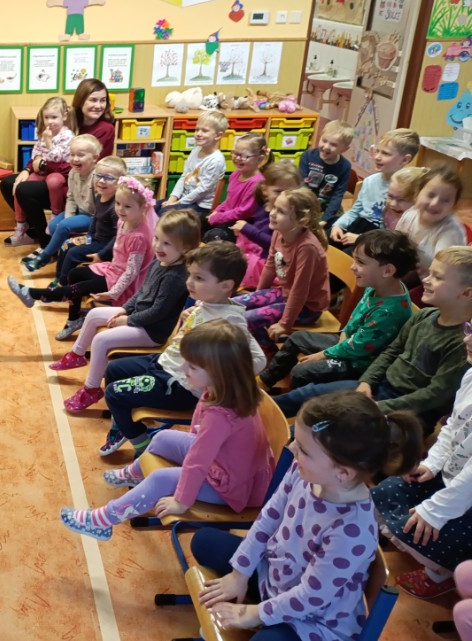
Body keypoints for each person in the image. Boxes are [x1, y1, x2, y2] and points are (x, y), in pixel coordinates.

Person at [194, 390, 423, 640]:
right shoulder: (304, 471)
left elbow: (310, 597)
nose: (293, 449)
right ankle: (260, 611)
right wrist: (240, 574)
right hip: (274, 577)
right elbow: (269, 516)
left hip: (312, 619)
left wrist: (254, 613)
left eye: (303, 449)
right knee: (204, 541)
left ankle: (263, 621)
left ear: (343, 472)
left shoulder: (352, 530)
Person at [59, 321, 274, 541]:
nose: (183, 369)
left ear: (220, 372)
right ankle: (134, 473)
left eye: (192, 367)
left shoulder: (221, 415)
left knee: (161, 478)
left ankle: (102, 521)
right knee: (161, 437)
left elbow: (198, 461)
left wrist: (181, 501)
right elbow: (198, 434)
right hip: (226, 463)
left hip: (231, 487)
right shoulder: (222, 389)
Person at [96, 242, 268, 456]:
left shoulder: (230, 320)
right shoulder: (207, 303)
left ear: (225, 286)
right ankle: (122, 427)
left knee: (114, 393)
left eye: (199, 278)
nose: (189, 282)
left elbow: (259, 360)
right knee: (114, 370)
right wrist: (189, 316)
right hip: (165, 364)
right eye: (190, 275)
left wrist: (217, 379)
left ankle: (141, 445)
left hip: (180, 385)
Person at [273, 247, 472, 425]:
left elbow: (435, 395)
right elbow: (392, 351)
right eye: (429, 273)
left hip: (408, 414)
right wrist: (367, 381)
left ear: (466, 294)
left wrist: (380, 406)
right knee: (307, 397)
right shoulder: (424, 316)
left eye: (437, 277)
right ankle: (260, 413)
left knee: (328, 430)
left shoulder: (463, 343)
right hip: (379, 388)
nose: (426, 280)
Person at [57, 210, 201, 412]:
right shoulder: (160, 261)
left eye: (167, 243)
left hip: (151, 331)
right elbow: (142, 291)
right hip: (138, 318)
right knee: (94, 314)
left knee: (101, 340)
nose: (158, 246)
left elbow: (157, 312)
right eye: (157, 239)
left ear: (185, 247)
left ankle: (91, 389)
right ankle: (77, 354)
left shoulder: (175, 276)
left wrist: (127, 320)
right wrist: (125, 309)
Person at [372, 327, 472, 600]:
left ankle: (440, 573)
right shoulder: (470, 375)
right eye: (470, 328)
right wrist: (432, 464)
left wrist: (436, 511)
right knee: (384, 492)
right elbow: (452, 427)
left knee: (422, 530)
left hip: (467, 497)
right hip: (453, 477)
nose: (467, 339)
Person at [259, 229, 417, 390]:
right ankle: (266, 381)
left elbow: (358, 348)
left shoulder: (389, 311)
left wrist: (322, 355)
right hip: (348, 342)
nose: (352, 267)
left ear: (388, 271)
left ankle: (295, 400)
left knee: (302, 372)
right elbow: (356, 318)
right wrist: (344, 335)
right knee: (297, 338)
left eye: (360, 262)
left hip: (359, 362)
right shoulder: (378, 285)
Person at [7, 175, 155, 341]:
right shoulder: (124, 221)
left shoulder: (139, 237)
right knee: (75, 274)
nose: (120, 209)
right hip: (113, 269)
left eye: (127, 206)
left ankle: (33, 294)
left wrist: (114, 293)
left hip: (123, 282)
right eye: (118, 203)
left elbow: (131, 272)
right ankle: (74, 319)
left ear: (143, 208)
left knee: (78, 288)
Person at [1, 79, 115, 246]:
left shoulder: (104, 129)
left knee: (25, 190)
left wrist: (42, 165)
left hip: (75, 185)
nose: (98, 105)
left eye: (103, 100)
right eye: (93, 100)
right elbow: (43, 146)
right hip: (54, 172)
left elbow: (79, 167)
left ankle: (47, 242)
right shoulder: (68, 118)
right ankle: (32, 231)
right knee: (9, 183)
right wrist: (28, 168)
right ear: (81, 100)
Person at [232, 188, 330, 357]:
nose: (272, 213)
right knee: (233, 305)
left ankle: (268, 355)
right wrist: (258, 296)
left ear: (302, 220)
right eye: (274, 207)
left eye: (281, 211)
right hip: (286, 294)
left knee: (246, 319)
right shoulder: (279, 232)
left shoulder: (307, 248)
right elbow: (270, 266)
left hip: (307, 308)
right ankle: (256, 347)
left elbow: (300, 291)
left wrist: (285, 324)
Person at [22, 133, 102, 272]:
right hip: (79, 211)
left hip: (92, 216)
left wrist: (67, 223)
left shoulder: (97, 178)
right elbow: (71, 198)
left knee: (64, 226)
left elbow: (100, 208)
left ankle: (44, 257)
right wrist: (69, 217)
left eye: (81, 155)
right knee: (54, 225)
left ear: (95, 158)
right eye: (72, 154)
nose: (75, 159)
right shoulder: (73, 173)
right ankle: (60, 252)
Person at [331, 128, 419, 250]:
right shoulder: (370, 181)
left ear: (405, 159)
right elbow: (355, 211)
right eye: (377, 151)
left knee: (347, 256)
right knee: (325, 241)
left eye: (385, 153)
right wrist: (338, 226)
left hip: (380, 238)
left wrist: (361, 238)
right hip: (359, 224)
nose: (377, 157)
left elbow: (396, 233)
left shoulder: (409, 189)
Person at [3, 96, 75, 247]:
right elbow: (36, 153)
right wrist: (34, 163)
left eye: (54, 117)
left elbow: (58, 158)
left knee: (54, 181)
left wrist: (47, 147)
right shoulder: (45, 134)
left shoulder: (67, 135)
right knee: (21, 185)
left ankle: (55, 216)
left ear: (64, 116)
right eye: (46, 117)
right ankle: (21, 224)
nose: (49, 121)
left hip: (59, 174)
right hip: (44, 171)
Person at [54, 155, 124, 287]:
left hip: (106, 245)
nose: (101, 181)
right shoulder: (100, 196)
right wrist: (88, 236)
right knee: (66, 245)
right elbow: (95, 218)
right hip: (95, 238)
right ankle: (59, 278)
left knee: (72, 254)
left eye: (109, 178)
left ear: (120, 181)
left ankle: (62, 286)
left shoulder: (116, 207)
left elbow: (119, 237)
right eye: (99, 176)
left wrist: (102, 255)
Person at [234, 162, 303, 289]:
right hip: (257, 256)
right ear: (265, 190)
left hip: (273, 267)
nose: (284, 197)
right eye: (278, 191)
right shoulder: (264, 206)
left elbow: (277, 246)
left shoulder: (291, 218)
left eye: (290, 192)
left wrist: (248, 229)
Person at [396, 166, 467, 286]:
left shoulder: (450, 233)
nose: (435, 203)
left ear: (453, 206)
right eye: (430, 195)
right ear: (417, 194)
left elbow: (443, 277)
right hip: (412, 273)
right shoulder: (410, 214)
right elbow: (396, 244)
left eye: (445, 200)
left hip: (435, 285)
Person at [156, 109, 227, 216]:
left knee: (164, 214)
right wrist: (171, 199)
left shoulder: (216, 160)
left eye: (204, 131)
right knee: (153, 207)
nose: (198, 134)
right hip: (184, 200)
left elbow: (202, 190)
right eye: (197, 129)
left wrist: (177, 203)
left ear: (218, 135)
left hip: (201, 207)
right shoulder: (196, 150)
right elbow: (184, 176)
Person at [204, 132, 268, 242]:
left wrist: (218, 217)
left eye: (244, 155)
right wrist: (217, 211)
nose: (237, 158)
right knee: (195, 221)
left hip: (242, 224)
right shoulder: (235, 174)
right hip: (228, 217)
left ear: (259, 159)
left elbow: (243, 212)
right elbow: (229, 200)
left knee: (214, 236)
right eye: (235, 153)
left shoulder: (257, 183)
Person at [299, 120, 353, 225]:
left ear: (344, 149)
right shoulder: (307, 156)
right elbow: (301, 186)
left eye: (333, 144)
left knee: (337, 226)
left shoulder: (345, 166)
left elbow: (337, 195)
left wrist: (325, 219)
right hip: (305, 203)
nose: (326, 146)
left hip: (328, 207)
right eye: (324, 140)